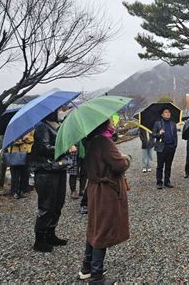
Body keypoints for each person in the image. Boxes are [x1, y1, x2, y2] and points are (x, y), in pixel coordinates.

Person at [78, 120, 131, 283]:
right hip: (106, 192)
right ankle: (97, 277)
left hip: (94, 189)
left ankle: (87, 267)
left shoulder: (88, 140)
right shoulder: (103, 142)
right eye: (108, 122)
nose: (111, 124)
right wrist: (126, 158)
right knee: (102, 229)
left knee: (94, 226)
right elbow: (119, 165)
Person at [29, 110, 75, 252]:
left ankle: (51, 233)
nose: (61, 112)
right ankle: (40, 239)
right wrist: (66, 149)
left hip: (58, 169)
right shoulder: (42, 126)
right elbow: (43, 148)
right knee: (47, 206)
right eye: (59, 110)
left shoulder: (56, 125)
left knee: (58, 204)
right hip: (46, 172)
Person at [152, 108, 178, 189]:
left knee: (168, 165)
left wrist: (175, 145)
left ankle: (167, 181)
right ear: (162, 114)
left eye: (169, 112)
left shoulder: (173, 123)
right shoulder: (158, 123)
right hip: (161, 147)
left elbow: (175, 135)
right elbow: (153, 134)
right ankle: (159, 182)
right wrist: (159, 133)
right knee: (160, 166)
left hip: (171, 147)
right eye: (166, 112)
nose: (168, 113)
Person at [10, 132, 34, 199]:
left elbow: (32, 138)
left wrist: (27, 138)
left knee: (25, 173)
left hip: (26, 153)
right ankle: (14, 191)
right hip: (15, 154)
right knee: (15, 174)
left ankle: (22, 190)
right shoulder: (12, 128)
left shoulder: (30, 128)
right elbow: (11, 141)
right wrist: (22, 139)